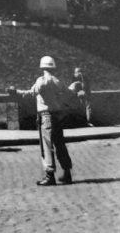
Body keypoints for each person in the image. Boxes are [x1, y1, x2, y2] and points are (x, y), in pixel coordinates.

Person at [7, 56, 74, 186]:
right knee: (60, 144)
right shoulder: (57, 81)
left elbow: (30, 93)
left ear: (42, 67)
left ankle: (50, 176)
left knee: (47, 146)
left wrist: (15, 92)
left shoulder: (41, 81)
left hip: (46, 116)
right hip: (57, 116)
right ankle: (67, 173)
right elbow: (68, 94)